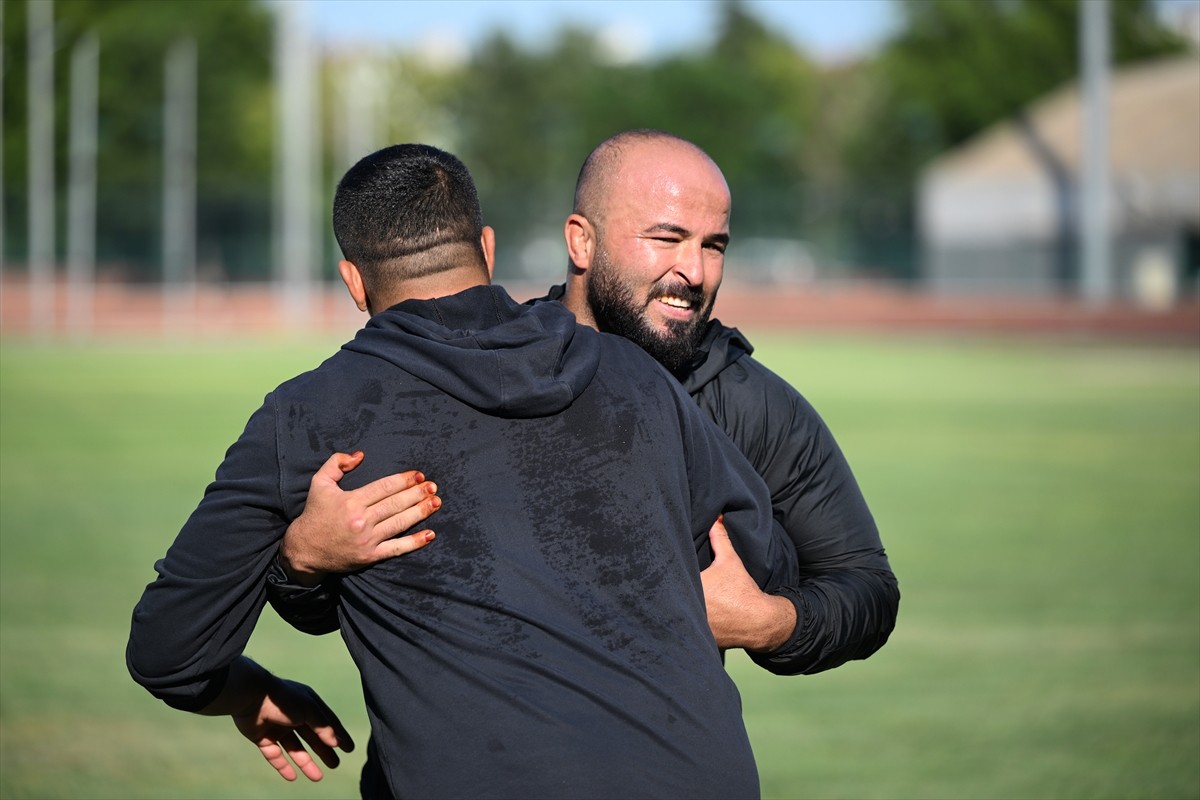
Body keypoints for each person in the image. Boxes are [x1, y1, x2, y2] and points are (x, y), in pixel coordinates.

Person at [127, 143, 798, 799]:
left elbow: (169, 652)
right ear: (487, 247)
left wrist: (284, 593)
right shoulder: (636, 376)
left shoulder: (312, 416)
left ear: (353, 283)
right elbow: (758, 560)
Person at [275, 129, 899, 675]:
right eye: (667, 237)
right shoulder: (470, 373)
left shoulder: (747, 401)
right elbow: (356, 596)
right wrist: (301, 564)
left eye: (714, 245)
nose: (696, 270)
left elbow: (866, 588)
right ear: (581, 242)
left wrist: (766, 623)